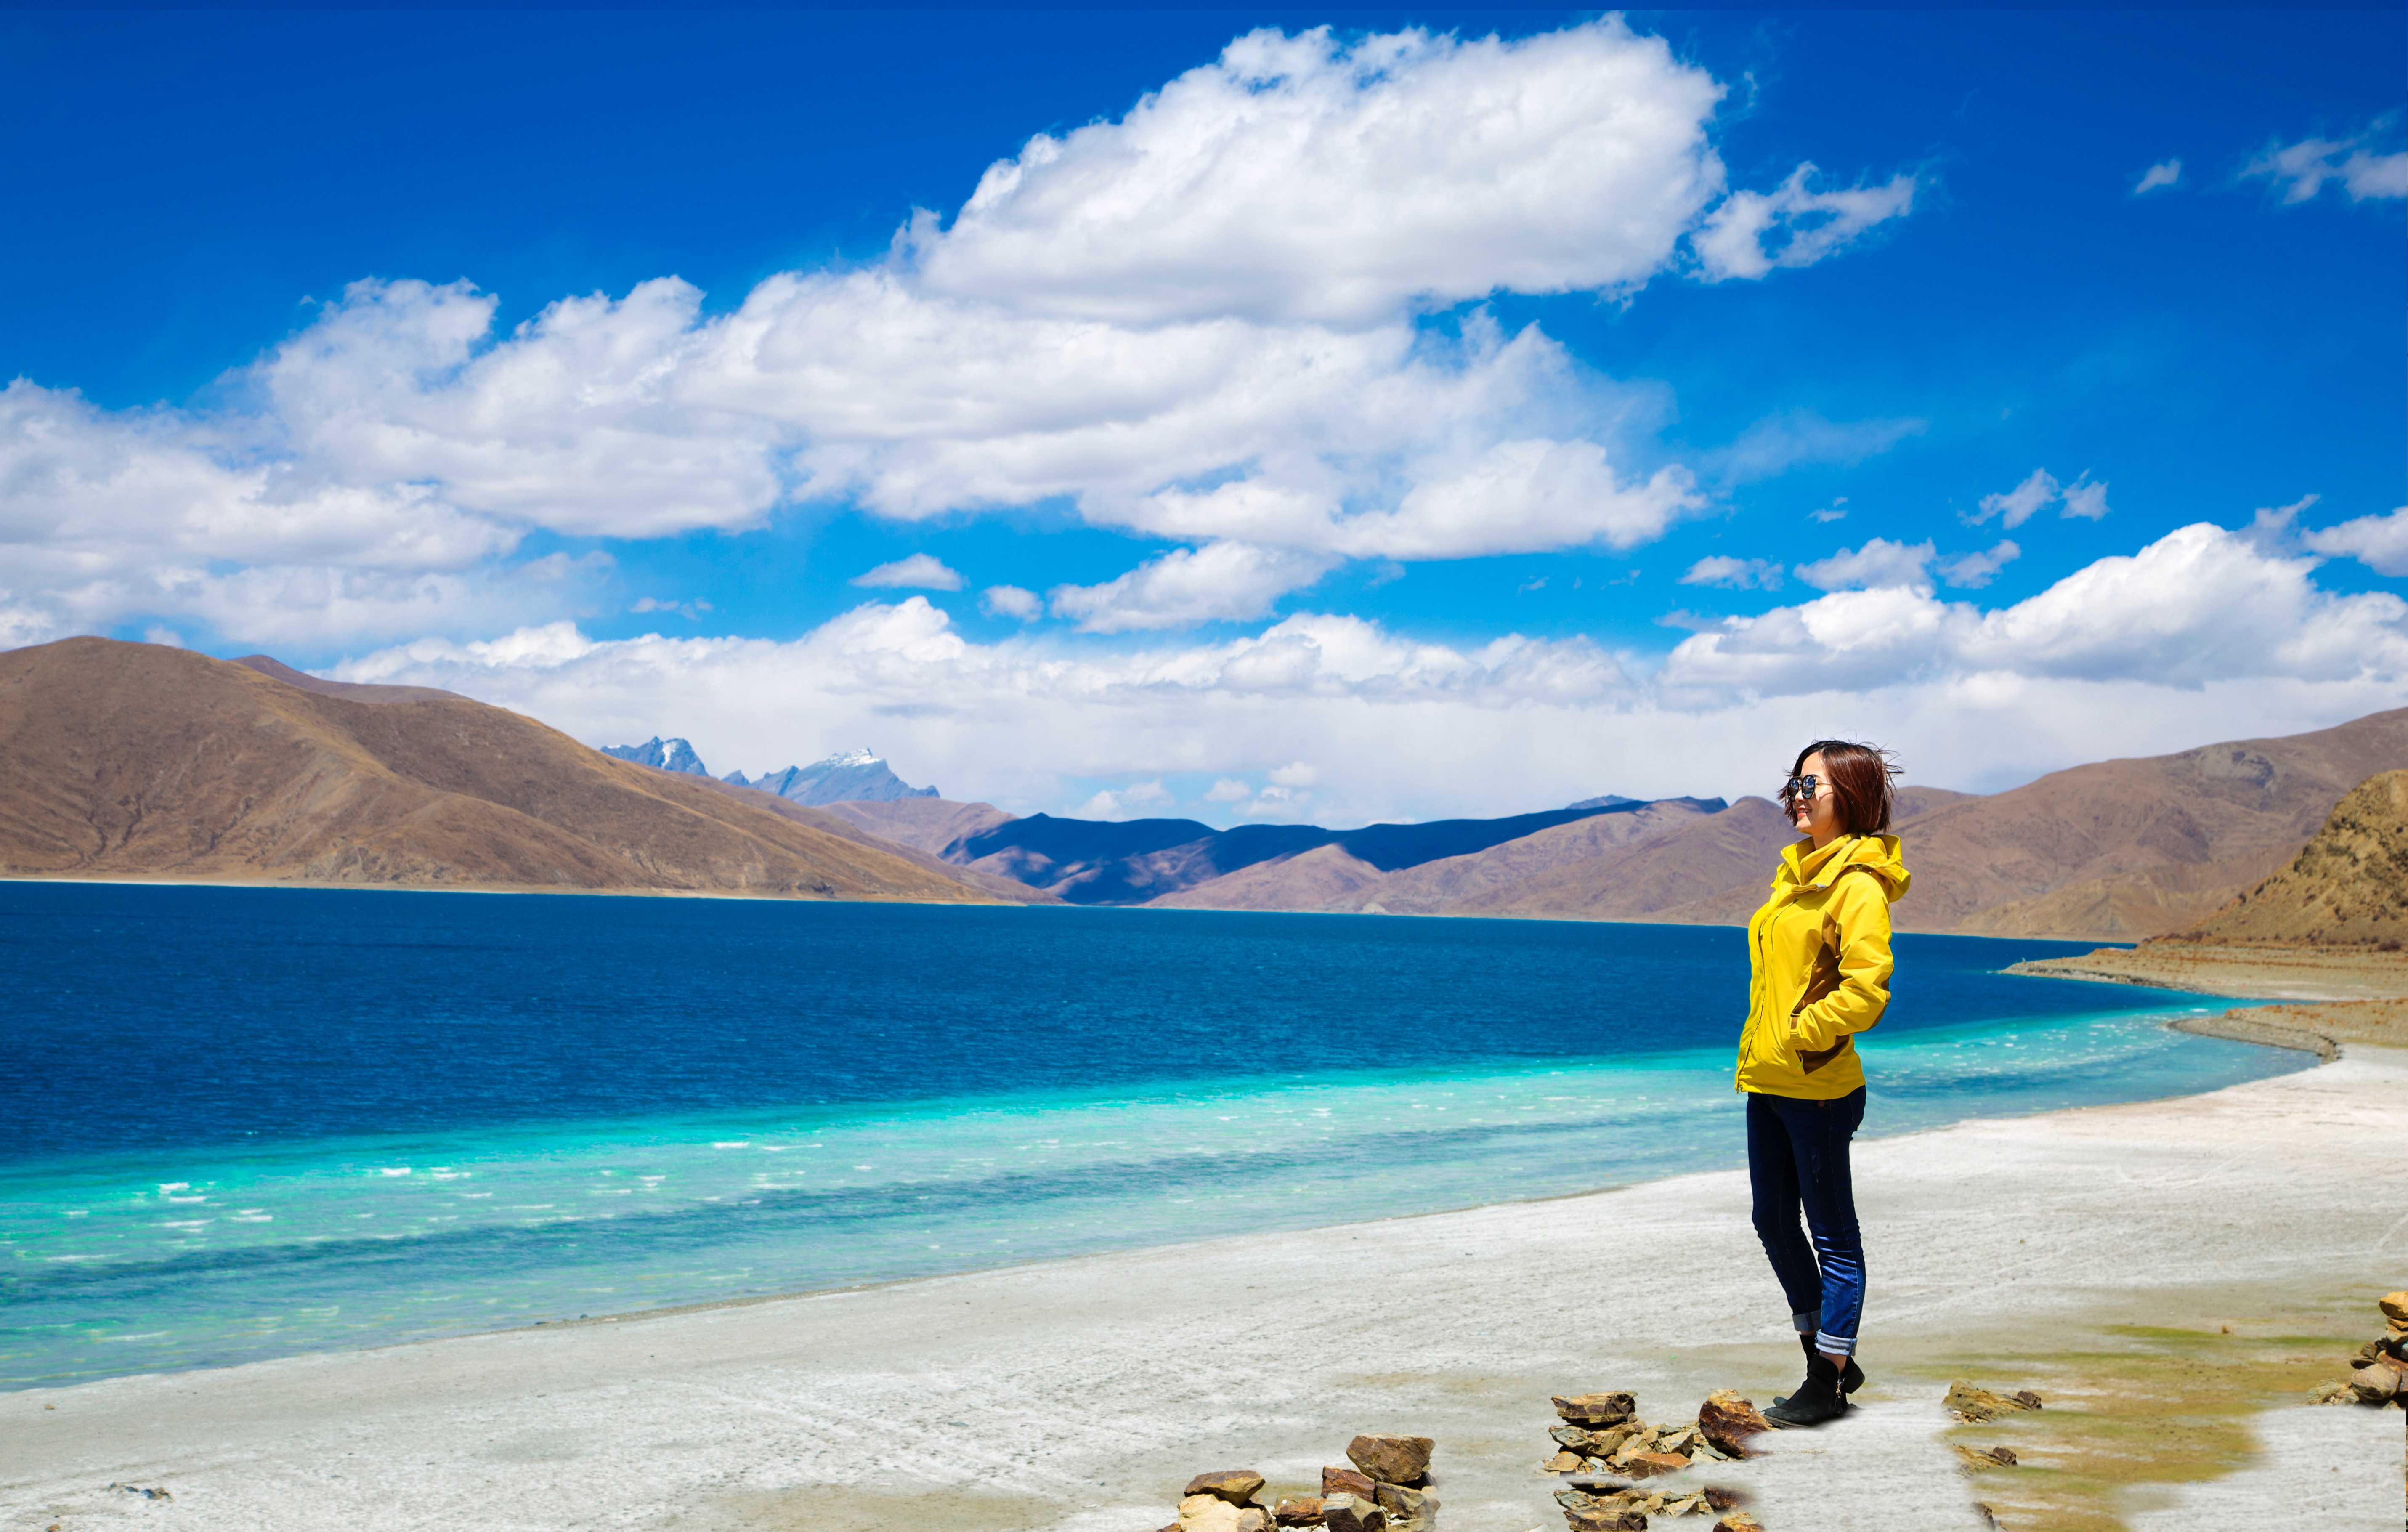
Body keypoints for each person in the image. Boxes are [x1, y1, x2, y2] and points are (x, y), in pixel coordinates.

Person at [1739, 739, 1911, 1428]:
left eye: (1812, 786)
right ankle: (1826, 1359)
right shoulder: (1794, 877)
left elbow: (1867, 992)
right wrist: (1773, 1043)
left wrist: (1803, 1034)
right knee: (1773, 1222)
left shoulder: (1858, 884)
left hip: (1819, 1087)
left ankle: (1827, 1379)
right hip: (1769, 1080)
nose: (1798, 797)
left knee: (1832, 1234)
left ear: (1854, 797)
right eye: (1795, 784)